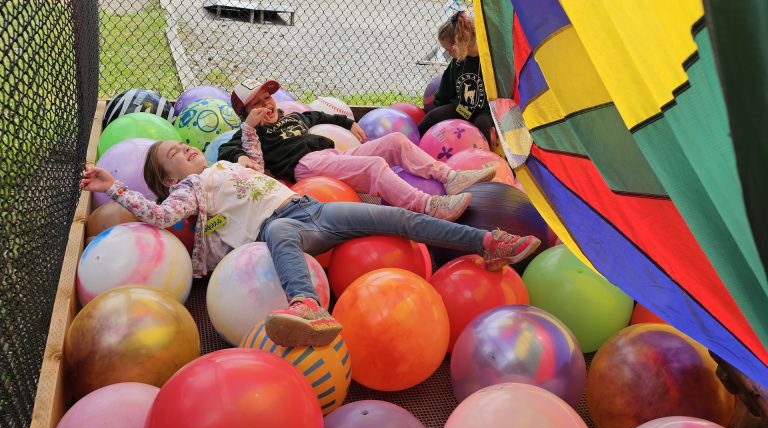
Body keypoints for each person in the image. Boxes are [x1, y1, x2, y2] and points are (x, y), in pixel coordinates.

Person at [80, 141, 541, 348]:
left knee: (400, 218)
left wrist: (252, 128)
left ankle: (489, 241)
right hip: (283, 227)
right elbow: (160, 216)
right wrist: (114, 188)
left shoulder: (222, 166)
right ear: (169, 178)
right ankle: (308, 307)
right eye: (171, 156)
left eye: (181, 144)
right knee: (277, 233)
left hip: (313, 209)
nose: (183, 149)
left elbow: (256, 166)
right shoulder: (192, 190)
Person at [217, 79, 496, 223]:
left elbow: (321, 116)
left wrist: (348, 122)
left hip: (332, 156)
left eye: (268, 98)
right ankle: (429, 206)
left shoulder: (293, 118)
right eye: (257, 104)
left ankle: (450, 177)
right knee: (374, 166)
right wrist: (245, 145)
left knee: (396, 140)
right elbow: (227, 151)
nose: (267, 105)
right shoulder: (250, 134)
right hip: (306, 167)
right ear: (246, 114)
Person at [419, 10, 493, 142]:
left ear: (459, 43)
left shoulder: (488, 59)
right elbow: (447, 86)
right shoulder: (457, 62)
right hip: (462, 108)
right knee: (432, 117)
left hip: (485, 111)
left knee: (482, 125)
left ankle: (485, 157)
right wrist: (439, 105)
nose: (448, 54)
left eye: (449, 50)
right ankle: (413, 145)